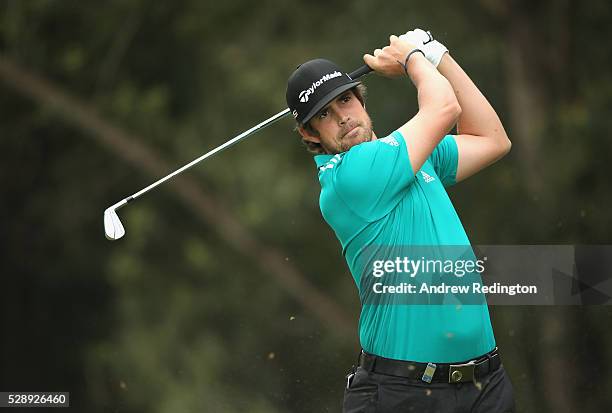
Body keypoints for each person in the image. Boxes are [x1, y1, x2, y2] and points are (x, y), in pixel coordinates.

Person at [286, 29, 515, 413]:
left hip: (485, 387)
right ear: (310, 134)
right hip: (404, 393)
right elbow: (444, 109)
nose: (343, 117)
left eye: (346, 100)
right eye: (325, 114)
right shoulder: (348, 178)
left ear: (361, 99)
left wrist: (438, 54)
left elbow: (493, 139)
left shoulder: (409, 157)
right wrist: (414, 58)